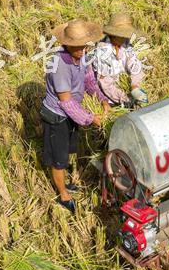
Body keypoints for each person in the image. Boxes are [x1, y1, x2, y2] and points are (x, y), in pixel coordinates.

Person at [40, 19, 110, 213]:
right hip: (57, 116)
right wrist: (90, 118)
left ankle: (64, 184)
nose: (81, 50)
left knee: (67, 151)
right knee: (59, 159)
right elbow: (66, 102)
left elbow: (89, 81)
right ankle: (63, 195)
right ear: (66, 44)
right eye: (76, 47)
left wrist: (102, 98)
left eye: (83, 46)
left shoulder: (83, 56)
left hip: (70, 114)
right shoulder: (59, 65)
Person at [93, 13, 148, 107]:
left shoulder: (125, 43)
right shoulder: (102, 52)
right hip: (111, 97)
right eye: (123, 35)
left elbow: (134, 64)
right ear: (113, 35)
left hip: (125, 87)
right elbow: (106, 84)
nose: (127, 37)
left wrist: (135, 86)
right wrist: (124, 98)